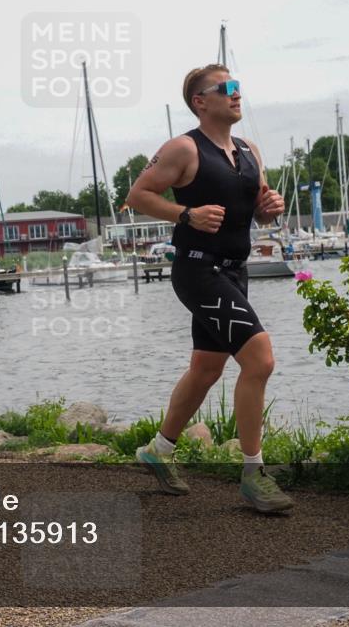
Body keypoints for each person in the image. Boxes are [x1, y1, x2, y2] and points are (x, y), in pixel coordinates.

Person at [125, 64, 293, 513]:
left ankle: (158, 451)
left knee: (206, 369)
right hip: (198, 270)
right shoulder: (183, 148)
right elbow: (137, 195)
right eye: (228, 89)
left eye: (239, 87)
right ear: (201, 101)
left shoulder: (248, 150)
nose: (238, 94)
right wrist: (185, 215)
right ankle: (254, 474)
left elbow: (259, 210)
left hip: (234, 270)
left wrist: (270, 207)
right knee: (260, 358)